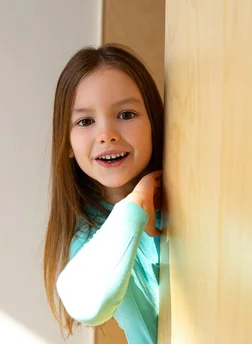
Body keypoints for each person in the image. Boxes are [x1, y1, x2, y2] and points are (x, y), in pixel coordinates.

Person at [43, 44, 164, 344]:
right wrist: (135, 205)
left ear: (154, 123)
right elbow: (87, 304)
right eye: (85, 121)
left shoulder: (192, 198)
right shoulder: (89, 233)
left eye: (126, 114)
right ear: (68, 144)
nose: (107, 133)